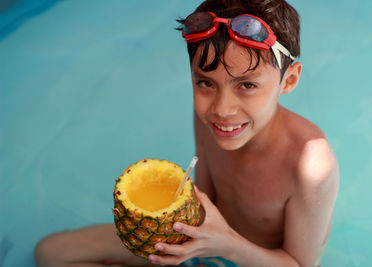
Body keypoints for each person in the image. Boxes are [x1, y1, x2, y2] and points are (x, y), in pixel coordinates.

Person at [35, 0, 339, 266]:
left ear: (288, 81)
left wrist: (228, 245)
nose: (222, 109)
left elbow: (301, 265)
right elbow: (202, 197)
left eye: (247, 85)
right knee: (50, 253)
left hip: (255, 260)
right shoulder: (211, 120)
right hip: (202, 240)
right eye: (206, 83)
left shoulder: (311, 165)